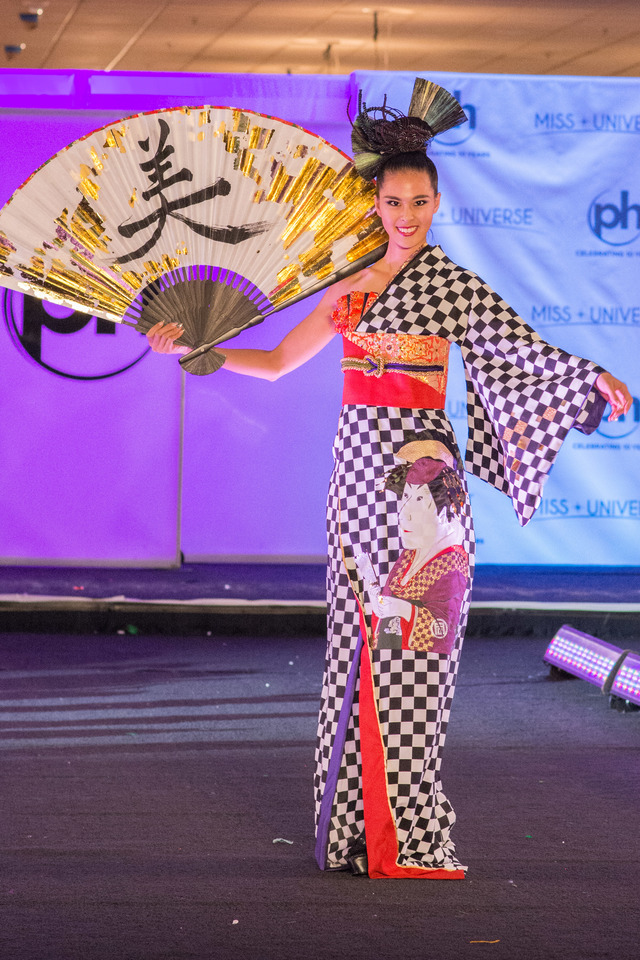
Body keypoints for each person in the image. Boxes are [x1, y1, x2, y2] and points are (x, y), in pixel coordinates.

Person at [145, 80, 632, 880]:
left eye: (419, 201)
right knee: (357, 646)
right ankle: (352, 834)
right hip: (355, 479)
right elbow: (271, 365)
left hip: (426, 490)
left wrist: (592, 375)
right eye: (394, 200)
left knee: (419, 651)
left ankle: (406, 832)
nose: (406, 214)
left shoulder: (451, 286)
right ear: (374, 202)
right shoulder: (347, 284)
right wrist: (194, 352)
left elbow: (526, 352)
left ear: (437, 204)